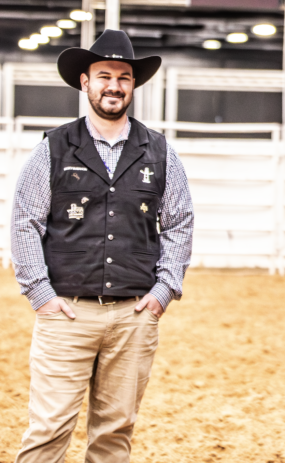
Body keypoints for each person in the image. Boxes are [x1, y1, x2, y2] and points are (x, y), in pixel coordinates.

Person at [10, 29, 194, 463]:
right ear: (85, 83)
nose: (114, 85)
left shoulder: (161, 152)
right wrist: (41, 295)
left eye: (124, 77)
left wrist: (162, 292)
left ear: (134, 85)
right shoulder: (51, 150)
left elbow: (180, 223)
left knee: (115, 432)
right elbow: (24, 223)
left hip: (133, 317)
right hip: (66, 315)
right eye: (104, 75)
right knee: (49, 429)